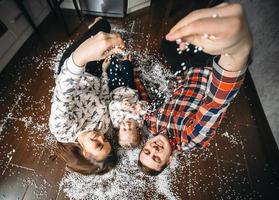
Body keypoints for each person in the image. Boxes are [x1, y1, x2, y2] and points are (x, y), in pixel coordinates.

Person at [138, 3, 253, 176]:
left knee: (168, 43)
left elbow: (143, 100)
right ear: (169, 160)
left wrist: (136, 105)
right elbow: (215, 104)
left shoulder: (152, 125)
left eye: (147, 152)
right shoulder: (190, 138)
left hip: (186, 73)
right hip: (208, 69)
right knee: (208, 25)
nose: (154, 149)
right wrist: (238, 51)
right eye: (157, 157)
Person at [49, 17, 125, 175]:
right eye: (105, 141)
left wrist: (81, 57)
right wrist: (104, 72)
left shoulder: (62, 128)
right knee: (106, 27)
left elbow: (64, 89)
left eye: (98, 145)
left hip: (74, 70)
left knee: (102, 25)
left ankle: (92, 28)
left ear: (86, 154)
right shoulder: (103, 128)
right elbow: (104, 98)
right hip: (96, 75)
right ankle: (95, 30)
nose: (100, 137)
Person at [102, 55, 148, 148]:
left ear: (118, 131)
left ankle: (113, 56)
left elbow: (111, 106)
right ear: (137, 129)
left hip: (115, 89)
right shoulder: (139, 121)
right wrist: (141, 106)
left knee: (113, 70)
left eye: (124, 129)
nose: (127, 125)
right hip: (130, 88)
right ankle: (126, 59)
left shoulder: (116, 122)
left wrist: (120, 105)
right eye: (130, 129)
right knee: (127, 70)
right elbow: (146, 106)